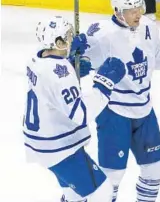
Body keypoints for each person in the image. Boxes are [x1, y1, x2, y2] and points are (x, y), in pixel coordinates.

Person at [70, 0, 160, 201]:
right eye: (131, 10)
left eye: (139, 8)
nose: (138, 13)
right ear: (119, 13)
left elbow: (156, 59)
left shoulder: (149, 26)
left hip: (144, 110)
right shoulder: (101, 35)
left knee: (155, 166)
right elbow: (77, 69)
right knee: (113, 175)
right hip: (114, 111)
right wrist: (75, 59)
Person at [23, 16, 126, 202]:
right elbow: (81, 114)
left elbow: (50, 83)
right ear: (58, 42)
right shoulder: (61, 74)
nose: (72, 38)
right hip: (60, 147)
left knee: (74, 195)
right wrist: (104, 83)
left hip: (41, 142)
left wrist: (70, 62)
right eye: (67, 37)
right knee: (103, 193)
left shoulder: (35, 58)